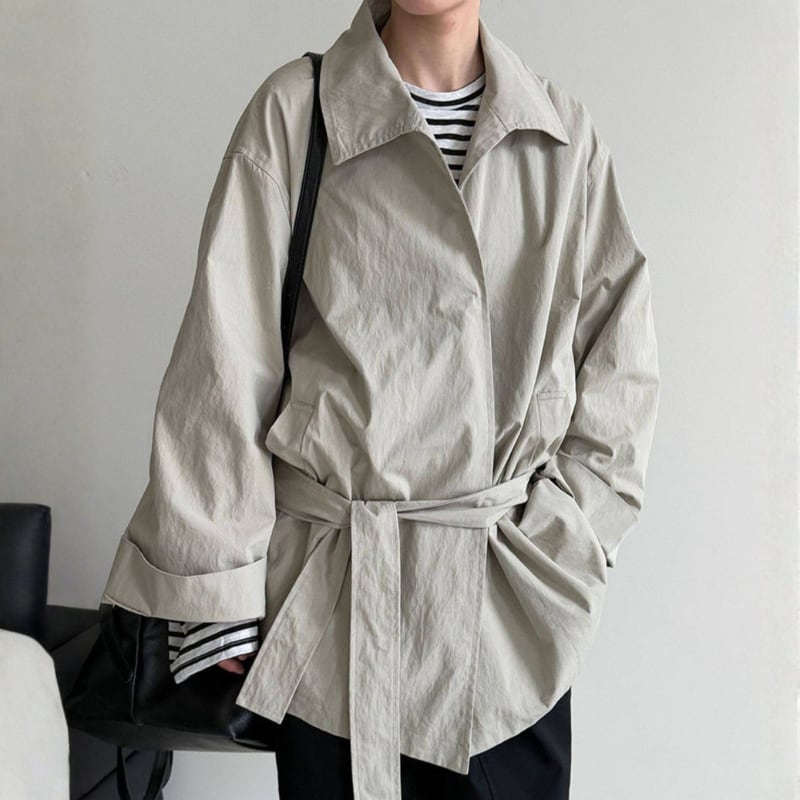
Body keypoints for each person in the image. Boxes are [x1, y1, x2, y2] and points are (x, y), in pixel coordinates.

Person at [100, 0, 661, 797]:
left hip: (505, 633)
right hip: (337, 617)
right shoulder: (297, 112)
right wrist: (217, 586)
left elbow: (620, 369)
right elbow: (223, 358)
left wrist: (565, 546)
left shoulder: (563, 136)